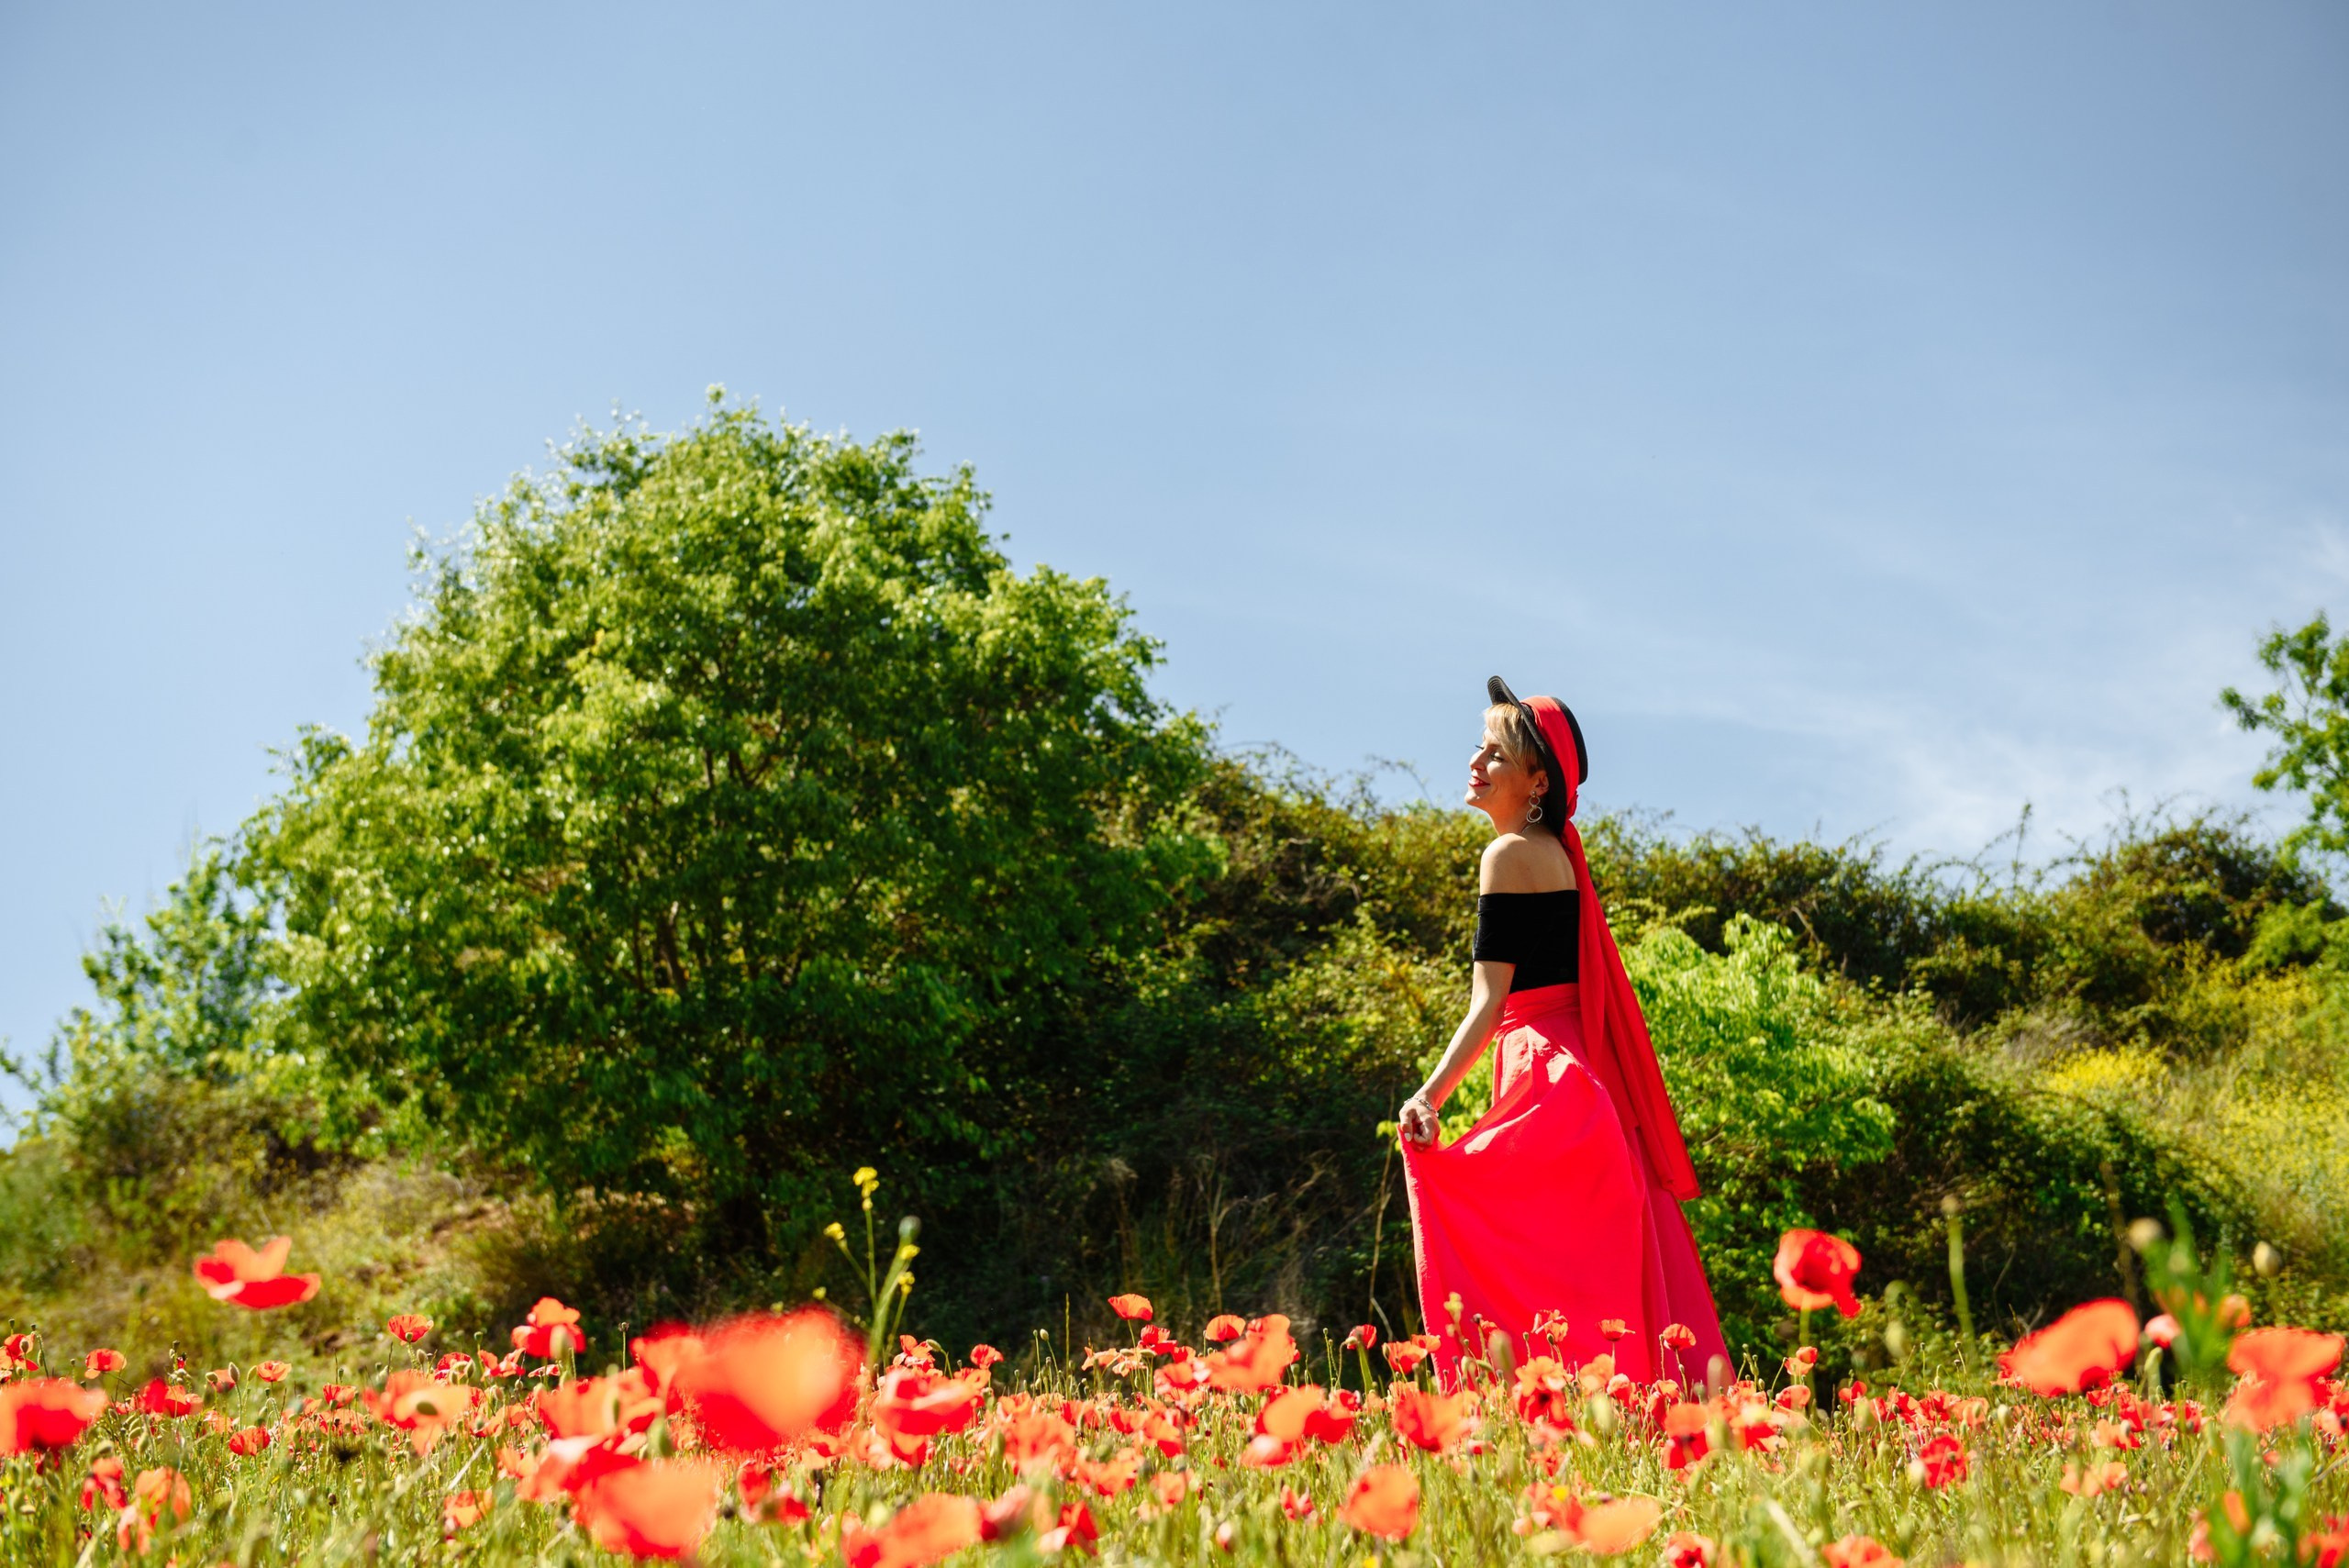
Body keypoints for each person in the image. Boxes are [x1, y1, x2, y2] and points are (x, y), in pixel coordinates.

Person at [1396, 677, 1729, 1385]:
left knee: (1504, 1251)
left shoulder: (1507, 855)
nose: (1476, 763)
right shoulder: (1561, 859)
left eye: (1497, 756)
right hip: (1589, 1088)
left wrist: (1429, 1095)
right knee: (1586, 1290)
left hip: (1546, 1077)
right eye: (1480, 748)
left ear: (1537, 781)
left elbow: (1490, 1003)